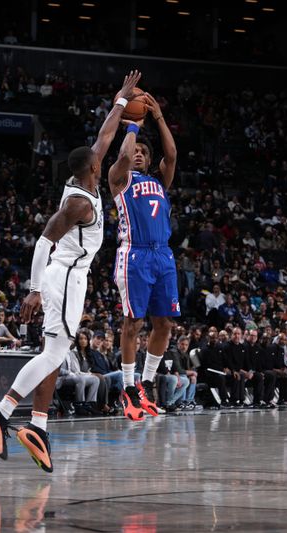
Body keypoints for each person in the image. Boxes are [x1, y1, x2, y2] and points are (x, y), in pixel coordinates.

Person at [0, 71, 142, 473]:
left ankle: (38, 426)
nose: (102, 161)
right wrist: (34, 290)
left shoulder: (87, 175)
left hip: (72, 277)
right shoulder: (78, 204)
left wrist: (121, 102)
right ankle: (0, 412)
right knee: (54, 352)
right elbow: (42, 242)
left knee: (54, 353)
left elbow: (104, 137)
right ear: (90, 170)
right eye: (97, 162)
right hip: (64, 276)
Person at [111, 90, 179, 421]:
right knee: (133, 322)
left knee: (164, 323)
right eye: (135, 152)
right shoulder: (119, 179)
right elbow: (122, 157)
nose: (137, 155)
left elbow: (172, 154)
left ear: (149, 160)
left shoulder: (159, 181)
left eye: (142, 153)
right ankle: (127, 387)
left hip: (163, 256)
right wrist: (132, 127)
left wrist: (157, 117)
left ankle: (146, 382)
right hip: (134, 255)